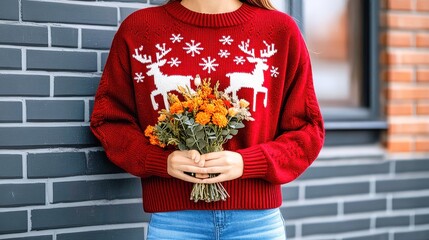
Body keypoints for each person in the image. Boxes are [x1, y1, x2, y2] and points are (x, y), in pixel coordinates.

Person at [90, 0, 325, 239]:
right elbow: (109, 121)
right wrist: (161, 161)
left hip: (257, 223)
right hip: (174, 223)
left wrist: (249, 163)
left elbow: (307, 129)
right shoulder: (140, 29)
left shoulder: (280, 31)